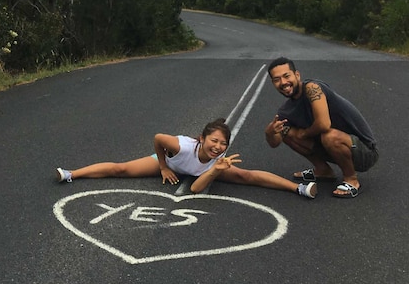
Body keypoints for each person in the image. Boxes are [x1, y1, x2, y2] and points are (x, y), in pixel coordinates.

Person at [55, 119, 317, 199]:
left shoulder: (220, 158)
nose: (218, 146)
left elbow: (194, 188)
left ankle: (299, 188)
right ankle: (71, 174)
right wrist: (162, 166)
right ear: (202, 138)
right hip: (171, 163)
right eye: (214, 141)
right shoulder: (180, 145)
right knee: (120, 169)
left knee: (247, 177)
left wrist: (216, 170)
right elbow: (157, 136)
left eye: (223, 143)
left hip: (202, 173)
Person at [265, 57, 379, 198]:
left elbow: (324, 124)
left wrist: (304, 134)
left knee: (328, 135)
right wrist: (270, 133)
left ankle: (351, 179)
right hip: (334, 147)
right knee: (287, 133)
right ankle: (323, 170)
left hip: (364, 151)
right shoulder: (285, 111)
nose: (283, 82)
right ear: (273, 83)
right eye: (277, 79)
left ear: (297, 75)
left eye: (286, 76)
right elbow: (275, 143)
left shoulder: (312, 88)